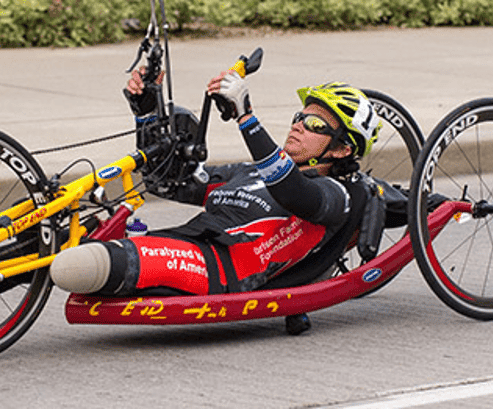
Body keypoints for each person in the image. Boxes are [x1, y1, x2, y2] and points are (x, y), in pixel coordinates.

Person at [49, 67, 383, 296]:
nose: (299, 125)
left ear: (341, 149)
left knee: (74, 266)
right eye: (300, 117)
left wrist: (246, 117)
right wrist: (146, 113)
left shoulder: (336, 194)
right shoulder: (248, 172)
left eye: (315, 124)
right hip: (181, 244)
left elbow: (294, 192)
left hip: (219, 268)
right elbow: (170, 182)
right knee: (62, 239)